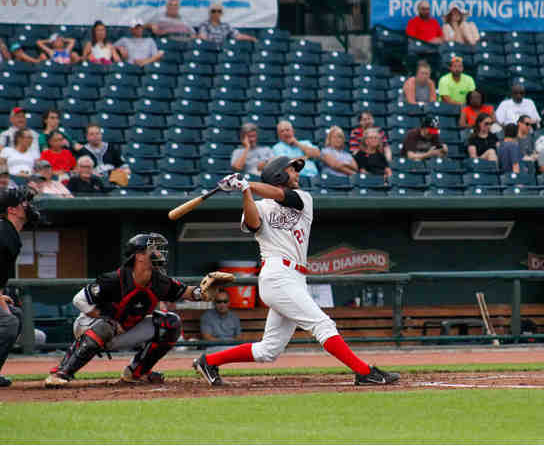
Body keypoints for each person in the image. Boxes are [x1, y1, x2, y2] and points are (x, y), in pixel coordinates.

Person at [192, 158, 400, 387]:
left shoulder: (303, 198)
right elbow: (252, 224)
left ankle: (208, 361)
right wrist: (245, 192)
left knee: (268, 350)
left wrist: (245, 183)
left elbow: (280, 195)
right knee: (323, 325)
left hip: (295, 278)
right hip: (277, 274)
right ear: (278, 175)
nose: (296, 174)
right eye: (291, 170)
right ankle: (364, 372)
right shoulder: (260, 205)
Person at [44, 233, 223, 386]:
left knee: (171, 323)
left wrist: (203, 292)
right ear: (139, 256)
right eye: (153, 249)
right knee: (106, 325)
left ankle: (136, 373)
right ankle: (61, 372)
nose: (159, 253)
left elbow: (186, 292)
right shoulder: (115, 279)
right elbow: (79, 300)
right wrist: (111, 318)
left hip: (124, 330)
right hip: (89, 326)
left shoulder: (159, 280)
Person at [0, 187, 40, 387]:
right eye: (24, 203)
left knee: (13, 315)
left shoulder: (8, 232)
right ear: (12, 210)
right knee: (8, 322)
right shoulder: (2, 231)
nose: (28, 206)